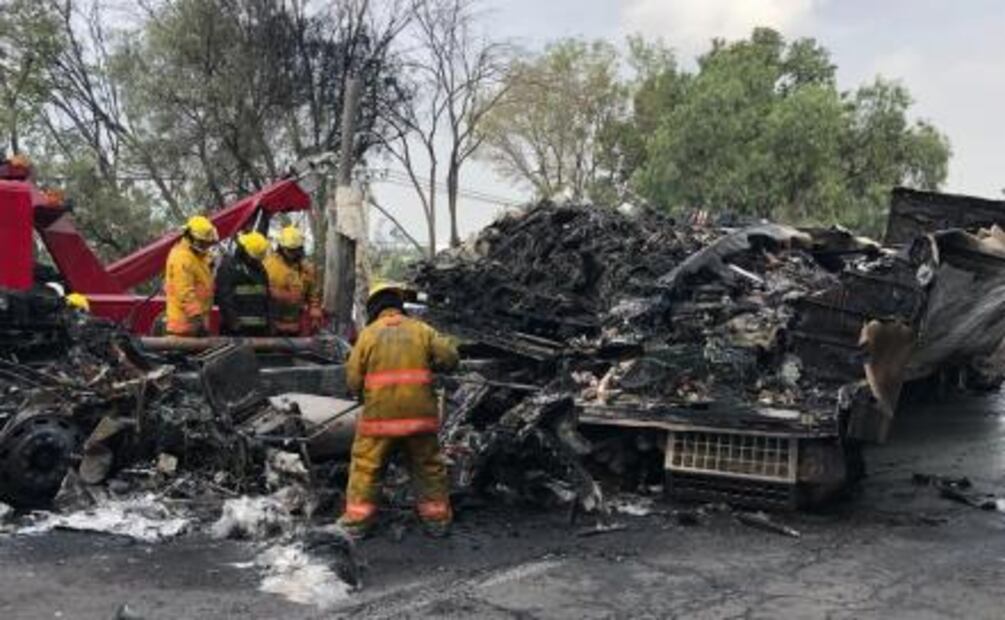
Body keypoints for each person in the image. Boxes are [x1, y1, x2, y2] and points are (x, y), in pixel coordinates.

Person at [338, 282, 459, 538]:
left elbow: (352, 381)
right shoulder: (421, 330)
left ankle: (357, 524)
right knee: (428, 466)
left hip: (378, 422)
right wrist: (435, 367)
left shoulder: (368, 335)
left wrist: (360, 394)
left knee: (366, 467)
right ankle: (437, 521)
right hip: (420, 419)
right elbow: (450, 357)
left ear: (374, 308)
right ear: (398, 305)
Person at [263, 225, 322, 336]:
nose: (294, 254)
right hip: (273, 326)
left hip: (296, 327)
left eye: (297, 250)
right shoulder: (269, 266)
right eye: (290, 251)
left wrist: (314, 310)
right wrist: (283, 295)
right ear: (281, 248)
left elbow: (313, 293)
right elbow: (264, 293)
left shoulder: (306, 269)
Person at [164, 215, 218, 336]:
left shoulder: (198, 256)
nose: (206, 246)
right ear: (191, 237)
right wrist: (196, 318)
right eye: (203, 243)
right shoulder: (181, 258)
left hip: (197, 325)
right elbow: (184, 292)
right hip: (184, 327)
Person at [215, 231, 271, 336]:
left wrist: (269, 325)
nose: (256, 261)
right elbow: (225, 298)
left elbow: (266, 297)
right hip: (236, 332)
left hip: (260, 331)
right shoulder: (229, 267)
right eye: (254, 258)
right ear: (244, 251)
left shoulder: (260, 269)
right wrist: (234, 325)